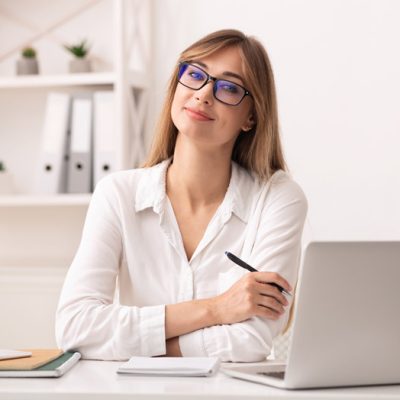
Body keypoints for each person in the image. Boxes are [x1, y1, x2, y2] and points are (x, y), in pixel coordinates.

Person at [55, 29, 307, 362]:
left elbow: (252, 341)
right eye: (195, 75)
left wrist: (138, 347)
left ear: (251, 116)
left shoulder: (278, 199)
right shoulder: (118, 193)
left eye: (229, 87)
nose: (203, 94)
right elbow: (75, 327)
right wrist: (216, 309)